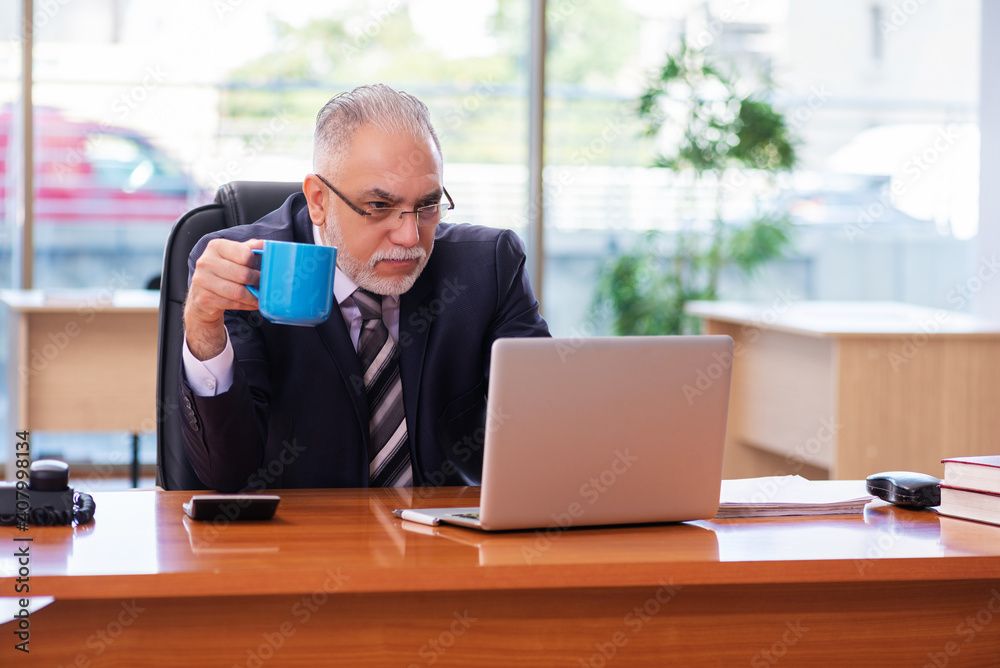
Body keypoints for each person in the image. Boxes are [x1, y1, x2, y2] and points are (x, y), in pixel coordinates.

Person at [179, 84, 549, 492]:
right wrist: (204, 327)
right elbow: (228, 475)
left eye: (427, 206)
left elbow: (546, 428)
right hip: (305, 543)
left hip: (449, 541)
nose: (410, 236)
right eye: (379, 207)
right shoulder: (248, 269)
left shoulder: (488, 266)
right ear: (318, 200)